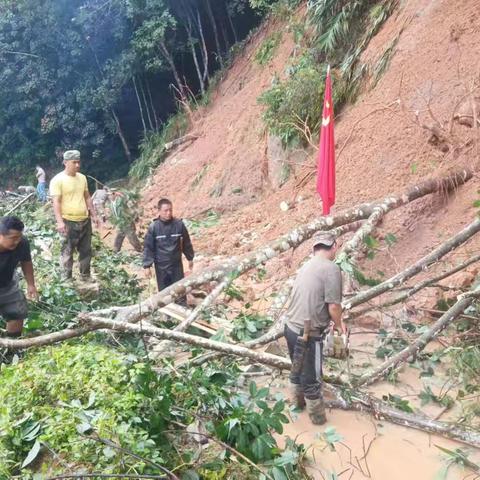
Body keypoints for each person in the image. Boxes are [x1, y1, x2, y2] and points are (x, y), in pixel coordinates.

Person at [284, 232, 346, 425]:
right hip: (308, 334)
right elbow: (334, 306)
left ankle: (296, 407)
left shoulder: (307, 265)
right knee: (312, 380)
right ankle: (319, 423)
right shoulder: (331, 268)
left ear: (315, 248)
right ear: (334, 246)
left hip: (290, 328)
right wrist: (340, 325)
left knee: (296, 370)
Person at [49, 150, 98, 282]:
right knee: (67, 251)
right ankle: (66, 278)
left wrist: (93, 214)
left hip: (84, 220)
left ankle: (85, 275)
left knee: (86, 250)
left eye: (78, 162)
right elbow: (56, 202)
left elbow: (87, 197)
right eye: (74, 162)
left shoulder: (82, 178)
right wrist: (59, 222)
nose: (77, 165)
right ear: (65, 163)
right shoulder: (57, 180)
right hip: (68, 221)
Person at [143, 198, 194, 294]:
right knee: (164, 293)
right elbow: (148, 247)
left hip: (176, 265)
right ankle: (167, 308)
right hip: (161, 267)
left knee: (179, 290)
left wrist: (190, 258)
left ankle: (182, 306)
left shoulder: (179, 225)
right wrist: (147, 266)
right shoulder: (154, 227)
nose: (169, 213)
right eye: (165, 211)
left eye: (170, 210)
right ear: (159, 211)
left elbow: (186, 242)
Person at [0, 216, 38, 339]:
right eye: (13, 238)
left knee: (17, 313)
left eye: (19, 237)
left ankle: (12, 347)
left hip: (7, 284)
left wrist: (31, 285)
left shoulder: (22, 243)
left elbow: (26, 262)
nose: (17, 241)